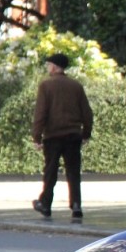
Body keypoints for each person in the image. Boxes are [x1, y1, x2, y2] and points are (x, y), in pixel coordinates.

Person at [31, 53, 93, 220]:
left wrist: (36, 137)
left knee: (50, 171)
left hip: (53, 136)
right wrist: (86, 133)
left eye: (48, 65)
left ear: (54, 66)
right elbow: (87, 113)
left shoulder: (46, 86)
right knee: (73, 172)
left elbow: (40, 113)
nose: (47, 68)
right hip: (73, 135)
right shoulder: (76, 86)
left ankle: (46, 205)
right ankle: (76, 205)